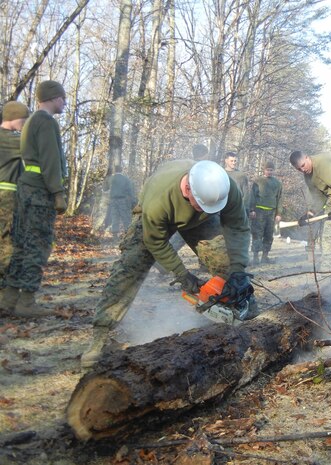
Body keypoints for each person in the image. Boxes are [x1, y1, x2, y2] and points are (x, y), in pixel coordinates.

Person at [80, 160, 254, 369]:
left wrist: (238, 270)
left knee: (226, 261)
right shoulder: (158, 200)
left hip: (199, 221)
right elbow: (155, 241)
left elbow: (238, 228)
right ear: (188, 188)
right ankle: (100, 336)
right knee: (129, 268)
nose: (207, 209)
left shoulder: (224, 188)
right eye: (202, 205)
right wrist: (182, 274)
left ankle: (248, 315)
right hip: (153, 218)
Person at [0, 81, 68, 317]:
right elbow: (50, 160)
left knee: (20, 244)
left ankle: (9, 298)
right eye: (62, 97)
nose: (64, 102)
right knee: (38, 245)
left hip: (25, 191)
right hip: (40, 193)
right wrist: (58, 192)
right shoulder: (46, 122)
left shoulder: (30, 122)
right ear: (53, 98)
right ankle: (27, 301)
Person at [0, 101, 30, 291]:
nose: (25, 124)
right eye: (24, 120)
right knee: (7, 241)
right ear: (14, 118)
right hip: (6, 197)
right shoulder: (9, 140)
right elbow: (34, 149)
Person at [249, 160, 282, 265]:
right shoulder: (258, 181)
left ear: (274, 171)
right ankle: (255, 257)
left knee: (268, 234)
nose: (269, 172)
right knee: (257, 234)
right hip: (259, 211)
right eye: (268, 170)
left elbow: (279, 198)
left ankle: (265, 256)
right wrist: (252, 210)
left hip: (271, 212)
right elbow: (252, 196)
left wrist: (278, 213)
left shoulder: (277, 183)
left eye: (271, 170)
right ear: (264, 170)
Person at [106, 167, 136, 238]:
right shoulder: (126, 179)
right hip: (123, 200)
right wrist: (133, 201)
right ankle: (127, 234)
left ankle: (115, 235)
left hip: (113, 200)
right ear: (121, 170)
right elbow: (130, 191)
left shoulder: (111, 179)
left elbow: (105, 189)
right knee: (125, 217)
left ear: (115, 170)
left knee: (115, 216)